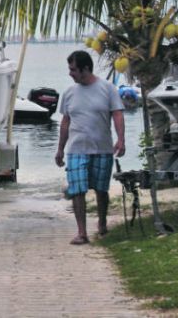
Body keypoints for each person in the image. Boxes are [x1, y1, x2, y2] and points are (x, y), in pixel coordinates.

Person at [55, 50, 125, 245]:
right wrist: (60, 149)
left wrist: (121, 140)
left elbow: (118, 114)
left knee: (101, 189)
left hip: (102, 148)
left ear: (85, 68)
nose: (70, 73)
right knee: (77, 190)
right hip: (76, 149)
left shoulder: (108, 88)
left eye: (73, 69)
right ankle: (82, 232)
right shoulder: (69, 93)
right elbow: (65, 122)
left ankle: (102, 224)